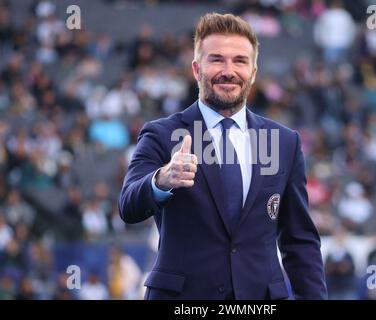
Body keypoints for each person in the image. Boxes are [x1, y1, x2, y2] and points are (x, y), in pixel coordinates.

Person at [119, 12, 327, 300]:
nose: (228, 70)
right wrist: (162, 179)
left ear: (253, 73)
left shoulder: (284, 142)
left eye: (240, 61)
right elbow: (128, 206)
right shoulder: (161, 134)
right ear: (196, 69)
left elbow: (300, 239)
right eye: (216, 59)